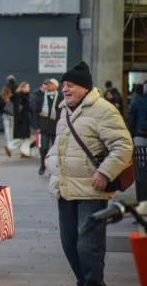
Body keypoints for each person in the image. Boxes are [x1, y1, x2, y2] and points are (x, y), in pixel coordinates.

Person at [46, 62, 133, 286]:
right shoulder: (64, 110)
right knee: (69, 243)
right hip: (64, 189)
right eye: (64, 84)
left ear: (85, 87)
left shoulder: (103, 110)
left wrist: (104, 173)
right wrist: (50, 163)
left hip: (92, 190)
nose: (65, 89)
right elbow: (57, 145)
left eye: (70, 85)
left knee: (88, 246)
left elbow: (123, 145)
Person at [38, 79, 62, 175]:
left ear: (56, 86)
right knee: (43, 148)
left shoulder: (61, 97)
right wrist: (37, 125)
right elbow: (35, 110)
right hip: (44, 128)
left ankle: (53, 169)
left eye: (50, 84)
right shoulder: (42, 97)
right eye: (47, 84)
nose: (48, 85)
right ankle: (43, 165)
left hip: (56, 128)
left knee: (55, 150)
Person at [8, 82, 32, 158]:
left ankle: (25, 152)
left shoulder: (25, 96)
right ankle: (10, 146)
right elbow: (18, 109)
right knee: (22, 137)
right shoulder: (19, 97)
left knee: (26, 137)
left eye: (29, 87)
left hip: (25, 119)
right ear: (22, 88)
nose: (28, 88)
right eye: (27, 87)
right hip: (21, 120)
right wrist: (20, 118)